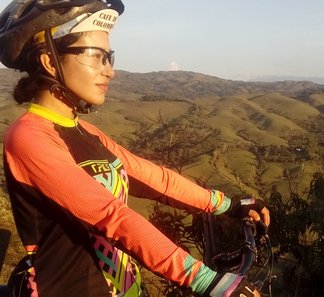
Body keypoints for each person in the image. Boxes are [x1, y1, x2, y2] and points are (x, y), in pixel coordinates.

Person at [0, 1, 270, 296]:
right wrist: (206, 281)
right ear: (50, 62)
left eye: (109, 57)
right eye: (96, 56)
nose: (109, 71)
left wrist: (228, 205)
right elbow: (111, 216)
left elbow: (153, 177)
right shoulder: (29, 137)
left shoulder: (85, 131)